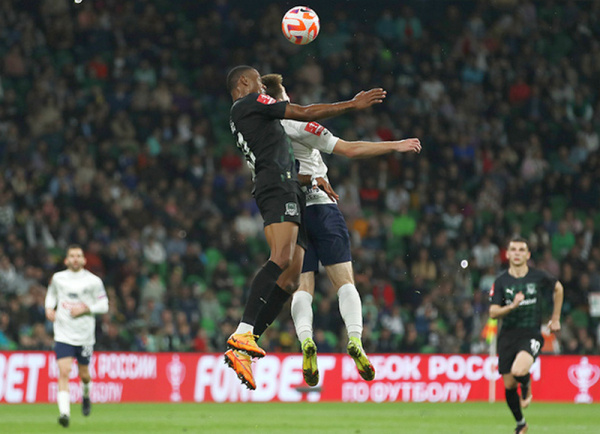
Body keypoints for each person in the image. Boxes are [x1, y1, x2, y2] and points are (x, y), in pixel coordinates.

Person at [224, 65, 386, 390]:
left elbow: (271, 158)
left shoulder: (247, 118)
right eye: (258, 84)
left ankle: (245, 346)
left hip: (287, 188)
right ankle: (242, 332)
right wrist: (352, 104)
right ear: (244, 81)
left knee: (291, 280)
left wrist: (311, 178)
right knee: (281, 258)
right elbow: (304, 112)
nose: (263, 90)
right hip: (278, 189)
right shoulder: (251, 103)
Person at [261, 73, 421, 386]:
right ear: (283, 97)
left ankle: (306, 340)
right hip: (321, 206)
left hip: (290, 214)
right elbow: (349, 149)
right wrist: (394, 145)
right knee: (344, 282)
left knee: (302, 286)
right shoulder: (298, 124)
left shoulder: (259, 137)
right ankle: (355, 339)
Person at [489, 237, 563, 434]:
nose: (517, 253)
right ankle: (521, 424)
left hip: (531, 334)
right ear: (507, 254)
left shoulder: (537, 276)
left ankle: (527, 384)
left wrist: (555, 318)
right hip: (507, 337)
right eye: (513, 249)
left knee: (519, 370)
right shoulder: (501, 281)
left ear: (528, 255)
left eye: (522, 250)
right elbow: (493, 312)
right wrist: (511, 306)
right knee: (509, 385)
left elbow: (558, 288)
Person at [45, 245, 109, 427]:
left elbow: (104, 305)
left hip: (84, 336)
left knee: (84, 375)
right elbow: (51, 295)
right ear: (66, 260)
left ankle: (86, 396)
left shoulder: (94, 281)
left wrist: (86, 309)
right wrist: (49, 308)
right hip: (63, 334)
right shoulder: (58, 278)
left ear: (84, 260)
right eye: (72, 256)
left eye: (78, 256)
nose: (75, 259)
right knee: (64, 371)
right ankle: (64, 413)